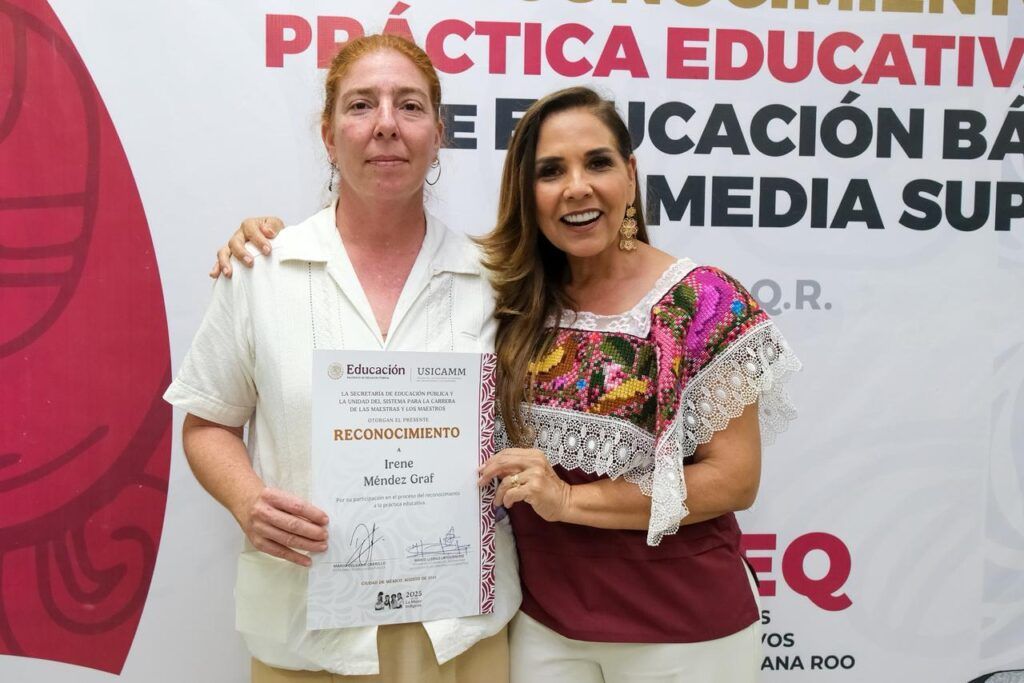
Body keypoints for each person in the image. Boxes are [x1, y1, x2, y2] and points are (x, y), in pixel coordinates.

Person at [216, 89, 799, 682]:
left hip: (683, 627)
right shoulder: (512, 294)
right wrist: (271, 243)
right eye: (550, 171)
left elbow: (735, 479)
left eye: (597, 163)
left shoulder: (702, 301)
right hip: (544, 627)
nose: (576, 187)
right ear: (528, 193)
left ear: (629, 174)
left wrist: (569, 501)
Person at [165, 34, 519, 683]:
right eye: (361, 105)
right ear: (329, 136)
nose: (386, 124)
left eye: (409, 105)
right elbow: (208, 421)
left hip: (458, 633)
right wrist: (247, 499)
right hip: (308, 635)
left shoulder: (496, 281)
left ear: (438, 135)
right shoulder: (261, 271)